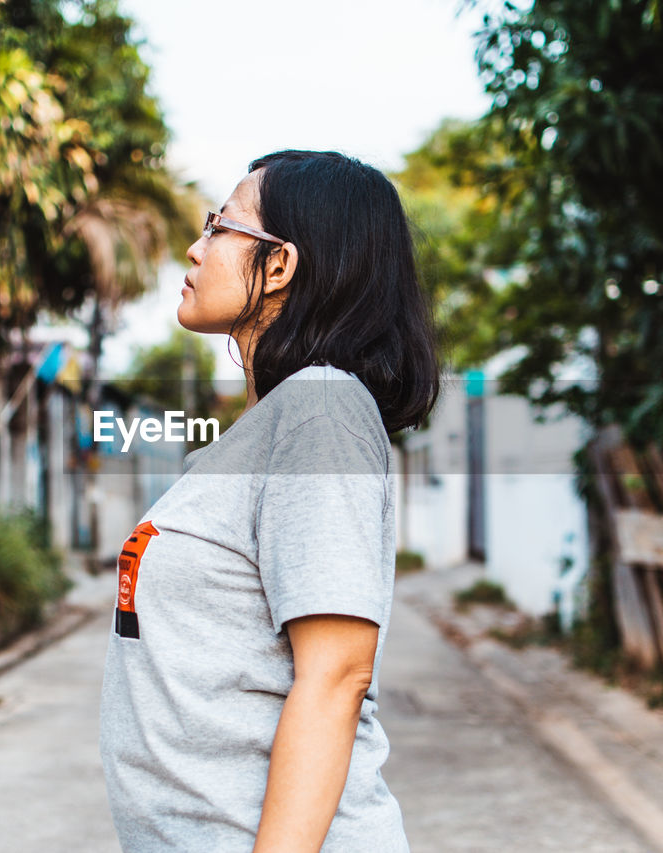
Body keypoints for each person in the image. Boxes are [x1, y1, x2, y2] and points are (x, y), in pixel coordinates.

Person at [99, 149, 439, 852]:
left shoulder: (321, 410)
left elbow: (338, 673)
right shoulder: (262, 432)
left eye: (221, 226)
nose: (195, 248)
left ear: (279, 265)